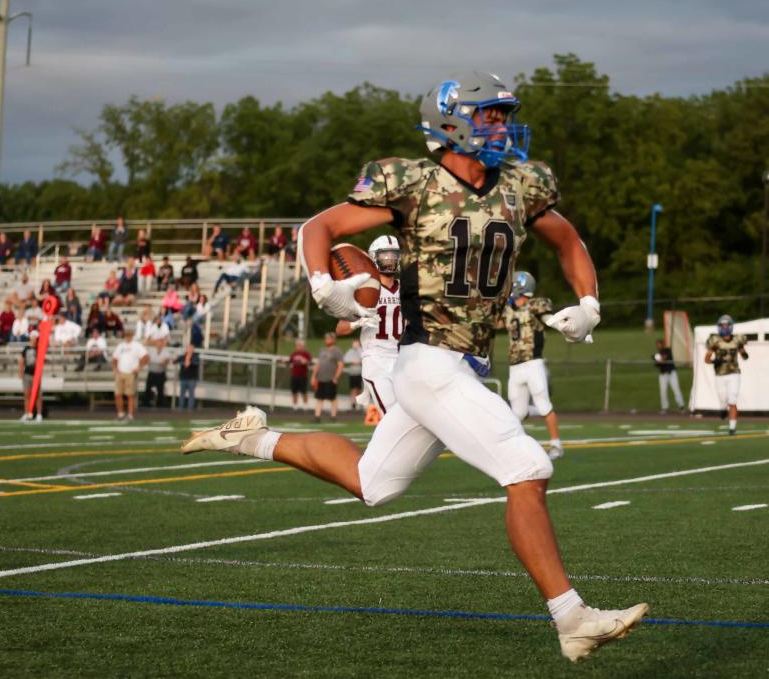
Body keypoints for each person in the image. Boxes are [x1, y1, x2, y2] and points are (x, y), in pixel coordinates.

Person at [182, 72, 647, 662]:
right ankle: (571, 617)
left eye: (505, 115)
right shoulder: (410, 180)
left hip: (466, 364)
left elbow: (568, 239)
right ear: (451, 123)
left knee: (372, 483)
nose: (502, 125)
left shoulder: (523, 184)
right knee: (526, 466)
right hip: (428, 362)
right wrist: (325, 284)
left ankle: (251, 437)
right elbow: (318, 227)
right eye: (490, 115)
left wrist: (589, 304)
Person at [335, 235, 402, 418]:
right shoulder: (366, 291)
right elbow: (340, 329)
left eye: (393, 255)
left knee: (408, 417)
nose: (390, 260)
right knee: (392, 417)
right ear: (373, 258)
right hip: (376, 358)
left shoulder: (406, 290)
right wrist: (359, 321)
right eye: (385, 256)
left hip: (403, 360)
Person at [503, 271, 563, 459]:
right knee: (517, 413)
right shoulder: (508, 310)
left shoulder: (535, 305)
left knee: (543, 404)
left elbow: (548, 318)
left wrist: (564, 326)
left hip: (532, 363)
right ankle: (520, 448)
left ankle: (556, 445)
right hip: (514, 367)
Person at [704, 315, 749, 434]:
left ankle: (732, 427)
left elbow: (744, 356)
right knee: (723, 399)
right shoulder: (715, 340)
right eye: (722, 325)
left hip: (734, 373)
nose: (724, 327)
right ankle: (723, 409)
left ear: (730, 326)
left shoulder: (737, 340)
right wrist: (714, 361)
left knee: (732, 399)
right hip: (720, 374)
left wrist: (743, 352)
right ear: (719, 327)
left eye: (726, 325)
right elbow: (706, 359)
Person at [111, 329, 149, 422]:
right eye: (126, 335)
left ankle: (130, 415)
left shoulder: (137, 345)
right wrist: (115, 368)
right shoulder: (120, 346)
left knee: (130, 395)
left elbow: (146, 357)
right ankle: (121, 414)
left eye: (129, 335)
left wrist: (139, 367)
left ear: (132, 336)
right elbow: (115, 358)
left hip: (130, 373)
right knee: (117, 394)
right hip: (120, 373)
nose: (127, 337)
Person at [652, 339, 684, 413]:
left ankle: (681, 406)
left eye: (659, 344)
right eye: (657, 345)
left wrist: (658, 359)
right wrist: (656, 359)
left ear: (662, 344)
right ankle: (664, 408)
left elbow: (664, 358)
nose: (658, 346)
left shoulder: (667, 350)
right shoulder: (658, 353)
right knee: (663, 391)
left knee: (676, 389)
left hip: (671, 373)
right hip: (663, 375)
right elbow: (657, 364)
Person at [19, 330, 43, 422]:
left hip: (36, 375)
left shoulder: (39, 348)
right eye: (32, 337)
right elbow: (22, 360)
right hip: (27, 374)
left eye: (34, 337)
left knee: (37, 395)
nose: (32, 339)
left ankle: (39, 414)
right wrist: (20, 372)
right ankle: (27, 413)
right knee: (27, 395)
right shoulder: (26, 349)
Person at [143, 337, 172, 408]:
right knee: (148, 389)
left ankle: (159, 405)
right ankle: (146, 404)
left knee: (160, 390)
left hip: (160, 373)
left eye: (160, 342)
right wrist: (158, 361)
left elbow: (167, 359)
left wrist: (164, 361)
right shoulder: (151, 350)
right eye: (157, 342)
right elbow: (148, 358)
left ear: (162, 343)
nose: (159, 344)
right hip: (152, 372)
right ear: (155, 343)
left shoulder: (166, 351)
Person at [287, 339, 312, 411]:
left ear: (303, 346)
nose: (298, 347)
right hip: (294, 375)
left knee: (303, 391)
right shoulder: (294, 354)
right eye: (297, 345)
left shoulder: (306, 354)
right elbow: (290, 361)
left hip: (303, 375)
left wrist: (306, 362)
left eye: (300, 345)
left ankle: (305, 406)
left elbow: (310, 362)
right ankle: (294, 406)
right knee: (294, 391)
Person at [341, 340, 363, 412]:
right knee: (353, 389)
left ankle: (360, 404)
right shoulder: (350, 351)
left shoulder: (361, 350)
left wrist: (359, 362)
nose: (354, 344)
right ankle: (353, 404)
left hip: (360, 373)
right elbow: (345, 360)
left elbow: (363, 359)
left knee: (359, 389)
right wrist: (353, 362)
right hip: (352, 373)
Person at [177, 342, 199, 409]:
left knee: (191, 394)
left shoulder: (195, 357)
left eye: (191, 348)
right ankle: (180, 408)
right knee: (182, 393)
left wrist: (189, 362)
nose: (190, 349)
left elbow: (195, 363)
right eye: (189, 348)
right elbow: (175, 361)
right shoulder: (183, 357)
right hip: (183, 377)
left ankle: (190, 409)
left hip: (192, 378)